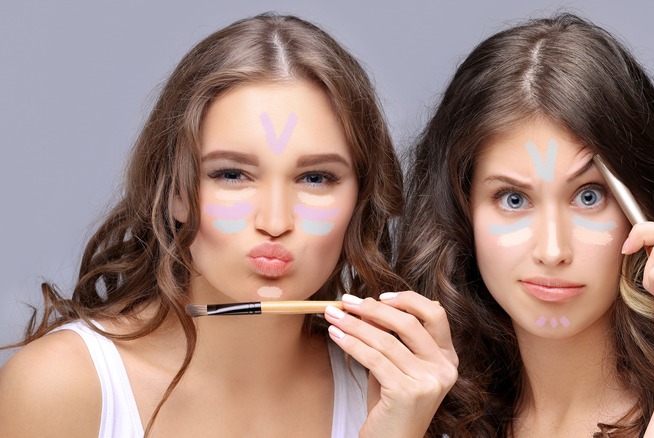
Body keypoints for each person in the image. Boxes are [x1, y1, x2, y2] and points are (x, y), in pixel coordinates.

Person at [0, 14, 457, 437]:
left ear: (360, 198)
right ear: (175, 191)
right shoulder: (62, 387)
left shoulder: (391, 398)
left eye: (316, 178)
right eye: (232, 175)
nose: (275, 222)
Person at [397, 13, 654, 437]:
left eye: (589, 197)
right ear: (459, 213)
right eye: (513, 199)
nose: (553, 249)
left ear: (644, 208)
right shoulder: (427, 415)